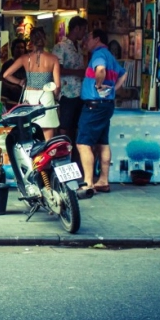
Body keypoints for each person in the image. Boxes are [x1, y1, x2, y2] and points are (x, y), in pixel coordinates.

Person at [76, 28, 127, 199]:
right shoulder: (110, 56)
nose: (86, 41)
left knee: (83, 144)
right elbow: (124, 73)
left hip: (94, 105)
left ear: (97, 39)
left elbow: (100, 70)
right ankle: (103, 180)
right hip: (106, 105)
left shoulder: (99, 55)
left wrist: (98, 86)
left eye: (88, 37)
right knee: (102, 142)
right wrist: (113, 89)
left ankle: (88, 182)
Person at [3, 27, 61, 141]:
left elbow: (6, 75)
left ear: (31, 41)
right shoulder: (53, 59)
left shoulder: (25, 58)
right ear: (45, 39)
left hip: (29, 97)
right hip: (46, 96)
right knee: (48, 136)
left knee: (29, 133)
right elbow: (57, 85)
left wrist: (19, 82)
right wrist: (55, 97)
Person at [52, 16, 88, 140]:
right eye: (83, 29)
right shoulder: (61, 46)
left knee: (76, 126)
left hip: (79, 93)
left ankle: (72, 153)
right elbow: (57, 69)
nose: (84, 33)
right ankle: (63, 153)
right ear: (76, 28)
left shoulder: (79, 47)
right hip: (67, 93)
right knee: (64, 125)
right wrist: (76, 72)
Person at [0, 39, 27, 103]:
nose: (20, 50)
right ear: (13, 49)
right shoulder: (7, 64)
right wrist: (12, 87)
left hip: (23, 97)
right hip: (9, 98)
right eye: (17, 47)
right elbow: (1, 79)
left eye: (22, 48)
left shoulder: (28, 64)